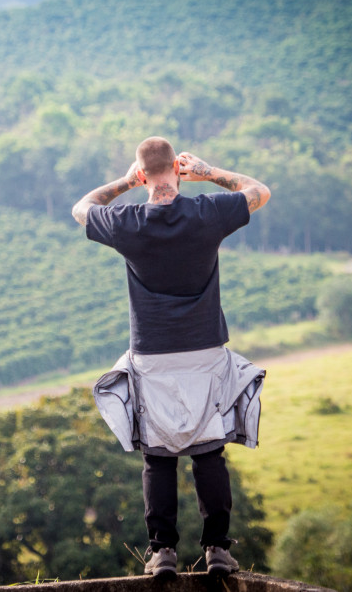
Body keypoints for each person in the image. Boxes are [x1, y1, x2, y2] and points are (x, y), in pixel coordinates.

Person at [71, 136, 270, 578]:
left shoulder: (127, 223)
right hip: (204, 349)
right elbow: (258, 191)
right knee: (209, 452)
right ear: (178, 171)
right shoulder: (207, 213)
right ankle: (218, 549)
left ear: (143, 174)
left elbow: (81, 207)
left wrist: (124, 184)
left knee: (158, 457)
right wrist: (209, 171)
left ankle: (162, 553)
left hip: (153, 353)